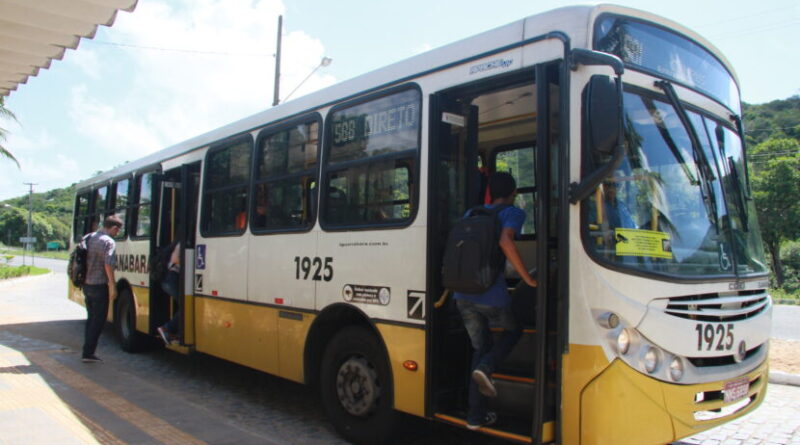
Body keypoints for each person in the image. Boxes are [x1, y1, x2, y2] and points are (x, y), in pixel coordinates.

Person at [453, 171, 538, 430]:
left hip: (462, 293)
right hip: (491, 295)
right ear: (513, 192)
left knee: (480, 347)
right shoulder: (513, 213)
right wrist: (529, 279)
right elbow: (505, 241)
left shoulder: (472, 213)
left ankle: (475, 417)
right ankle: (488, 367)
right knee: (514, 330)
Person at [82, 214, 123, 363]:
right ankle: (88, 353)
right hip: (99, 286)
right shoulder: (108, 242)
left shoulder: (88, 237)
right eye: (117, 231)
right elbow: (108, 264)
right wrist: (112, 285)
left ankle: (86, 350)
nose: (117, 234)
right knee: (98, 321)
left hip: (86, 284)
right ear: (113, 228)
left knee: (91, 318)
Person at [156, 242, 181, 345]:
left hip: (170, 280)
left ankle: (174, 332)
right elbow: (176, 259)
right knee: (188, 307)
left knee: (185, 306)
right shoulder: (180, 244)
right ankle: (166, 329)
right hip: (171, 279)